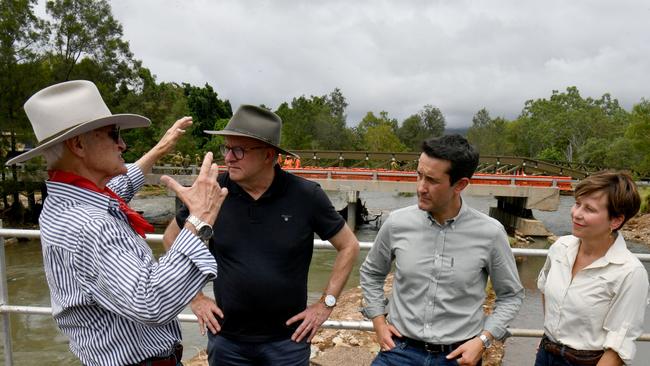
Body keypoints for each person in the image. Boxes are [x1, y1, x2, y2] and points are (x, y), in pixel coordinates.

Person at [6, 80, 228, 366]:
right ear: (78, 144)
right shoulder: (90, 225)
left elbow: (119, 187)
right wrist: (200, 219)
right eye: (114, 134)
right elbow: (151, 301)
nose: (123, 144)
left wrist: (160, 149)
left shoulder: (67, 200)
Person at [163, 104, 360, 366]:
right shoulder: (213, 191)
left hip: (287, 343)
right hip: (227, 341)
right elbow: (170, 239)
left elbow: (349, 245)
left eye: (239, 150)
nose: (229, 157)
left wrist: (326, 304)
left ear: (269, 155)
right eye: (227, 148)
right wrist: (195, 297)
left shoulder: (305, 195)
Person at [359, 134, 524, 366]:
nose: (420, 188)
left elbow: (511, 296)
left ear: (460, 185)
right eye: (419, 175)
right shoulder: (396, 223)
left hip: (458, 357)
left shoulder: (491, 233)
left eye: (432, 181)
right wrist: (378, 321)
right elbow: (371, 273)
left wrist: (483, 341)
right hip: (399, 350)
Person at [535, 171, 648, 366]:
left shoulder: (629, 272)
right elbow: (545, 289)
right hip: (546, 354)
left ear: (616, 221)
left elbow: (618, 347)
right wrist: (552, 336)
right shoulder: (560, 248)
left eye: (589, 209)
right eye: (577, 203)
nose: (576, 214)